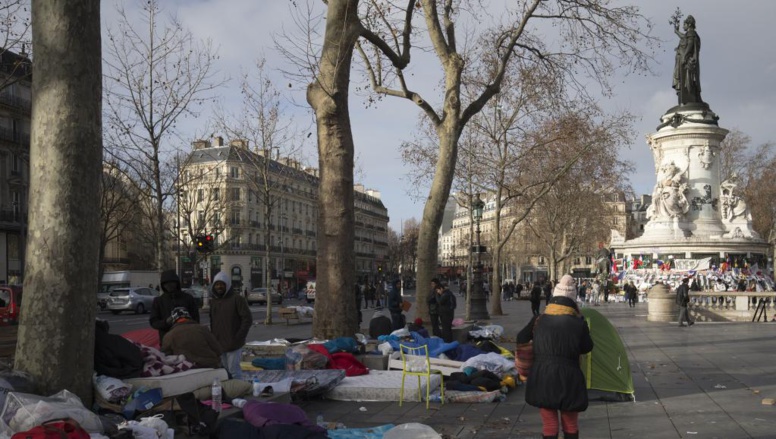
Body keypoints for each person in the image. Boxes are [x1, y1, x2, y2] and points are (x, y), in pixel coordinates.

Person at [517, 274, 594, 439]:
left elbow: (521, 338)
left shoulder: (538, 320)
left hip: (543, 376)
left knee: (550, 424)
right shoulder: (579, 322)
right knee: (570, 423)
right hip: (570, 377)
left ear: (554, 297)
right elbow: (587, 347)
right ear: (573, 301)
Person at [209, 271, 253, 379]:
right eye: (217, 284)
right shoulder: (214, 302)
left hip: (234, 343)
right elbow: (212, 321)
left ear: (227, 285)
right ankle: (229, 392)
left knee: (234, 371)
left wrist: (238, 337)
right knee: (224, 372)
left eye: (222, 284)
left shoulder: (237, 299)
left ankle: (238, 392)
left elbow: (247, 319)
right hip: (219, 344)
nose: (219, 287)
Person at [149, 269, 200, 344]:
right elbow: (153, 322)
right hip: (167, 341)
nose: (169, 285)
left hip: (187, 340)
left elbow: (196, 319)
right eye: (166, 283)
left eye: (172, 282)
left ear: (176, 283)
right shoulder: (159, 301)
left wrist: (186, 321)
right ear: (163, 285)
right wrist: (166, 322)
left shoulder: (188, 298)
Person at [672, 14, 702, 105]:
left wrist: (684, 56)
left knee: (687, 80)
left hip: (688, 62)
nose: (683, 26)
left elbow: (690, 45)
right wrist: (676, 32)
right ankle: (688, 97)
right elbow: (684, 37)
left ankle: (688, 98)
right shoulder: (691, 34)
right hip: (688, 62)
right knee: (687, 80)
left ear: (689, 24)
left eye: (684, 24)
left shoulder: (691, 34)